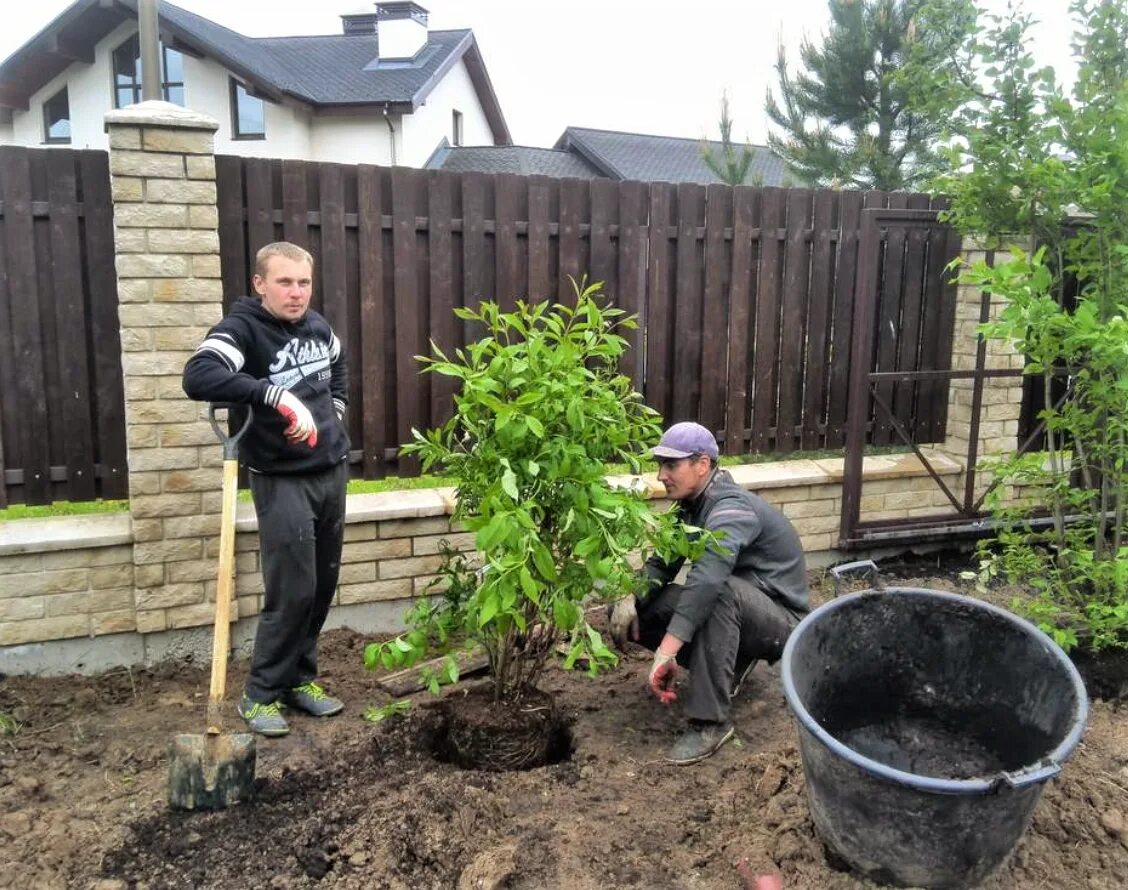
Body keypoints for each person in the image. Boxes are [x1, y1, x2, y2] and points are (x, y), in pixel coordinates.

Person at [182, 241, 350, 737]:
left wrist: (333, 415)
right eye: (284, 282)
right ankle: (260, 695)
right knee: (292, 590)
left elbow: (338, 369)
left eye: (303, 283)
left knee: (321, 587)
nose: (296, 293)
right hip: (281, 479)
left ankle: (300, 681)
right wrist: (273, 394)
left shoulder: (318, 327)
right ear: (259, 284)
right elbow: (199, 375)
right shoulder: (242, 331)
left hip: (330, 470)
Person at [609, 422, 810, 764]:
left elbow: (708, 579)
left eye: (671, 465)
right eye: (660, 465)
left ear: (702, 465)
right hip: (738, 613)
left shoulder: (732, 508)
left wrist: (667, 651)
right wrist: (628, 597)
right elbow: (662, 564)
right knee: (644, 607)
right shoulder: (690, 508)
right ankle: (731, 665)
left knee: (718, 591)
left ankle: (709, 723)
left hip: (782, 624)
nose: (661, 475)